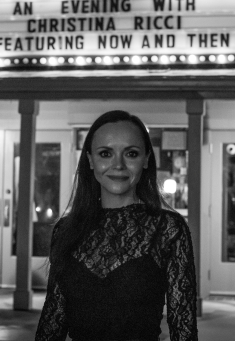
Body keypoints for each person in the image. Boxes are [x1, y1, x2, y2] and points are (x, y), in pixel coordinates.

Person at [35, 110, 198, 341]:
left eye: (131, 153)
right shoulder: (66, 230)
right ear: (90, 160)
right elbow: (53, 319)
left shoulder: (168, 229)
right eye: (105, 153)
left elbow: (184, 329)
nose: (118, 165)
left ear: (146, 159)